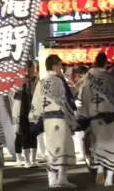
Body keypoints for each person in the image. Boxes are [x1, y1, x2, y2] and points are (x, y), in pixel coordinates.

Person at [29, 54, 77, 189]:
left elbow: (36, 102)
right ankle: (61, 177)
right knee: (62, 146)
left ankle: (52, 179)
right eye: (60, 65)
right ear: (55, 66)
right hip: (60, 118)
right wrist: (73, 117)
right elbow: (68, 100)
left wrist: (34, 120)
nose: (61, 68)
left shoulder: (41, 82)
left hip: (47, 120)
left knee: (51, 147)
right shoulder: (60, 81)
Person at [78, 52, 114, 187]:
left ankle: (99, 170)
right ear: (106, 63)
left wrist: (84, 114)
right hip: (110, 118)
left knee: (97, 145)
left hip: (94, 118)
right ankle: (109, 178)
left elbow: (81, 96)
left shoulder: (88, 79)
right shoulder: (110, 78)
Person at [12, 61, 39, 167]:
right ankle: (25, 159)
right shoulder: (19, 81)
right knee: (22, 134)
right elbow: (13, 94)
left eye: (33, 69)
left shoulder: (37, 81)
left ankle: (33, 159)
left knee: (34, 134)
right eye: (29, 69)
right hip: (21, 110)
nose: (31, 72)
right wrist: (21, 85)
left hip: (34, 109)